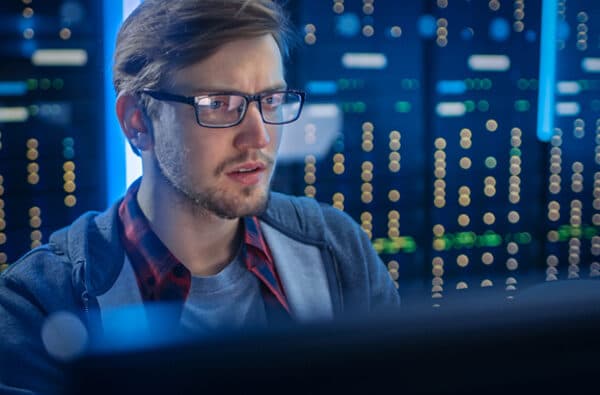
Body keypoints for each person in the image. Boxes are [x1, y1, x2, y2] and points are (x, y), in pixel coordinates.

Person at [0, 0, 400, 393]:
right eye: (218, 104)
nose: (258, 137)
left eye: (270, 101)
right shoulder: (38, 305)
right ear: (137, 122)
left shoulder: (337, 250)